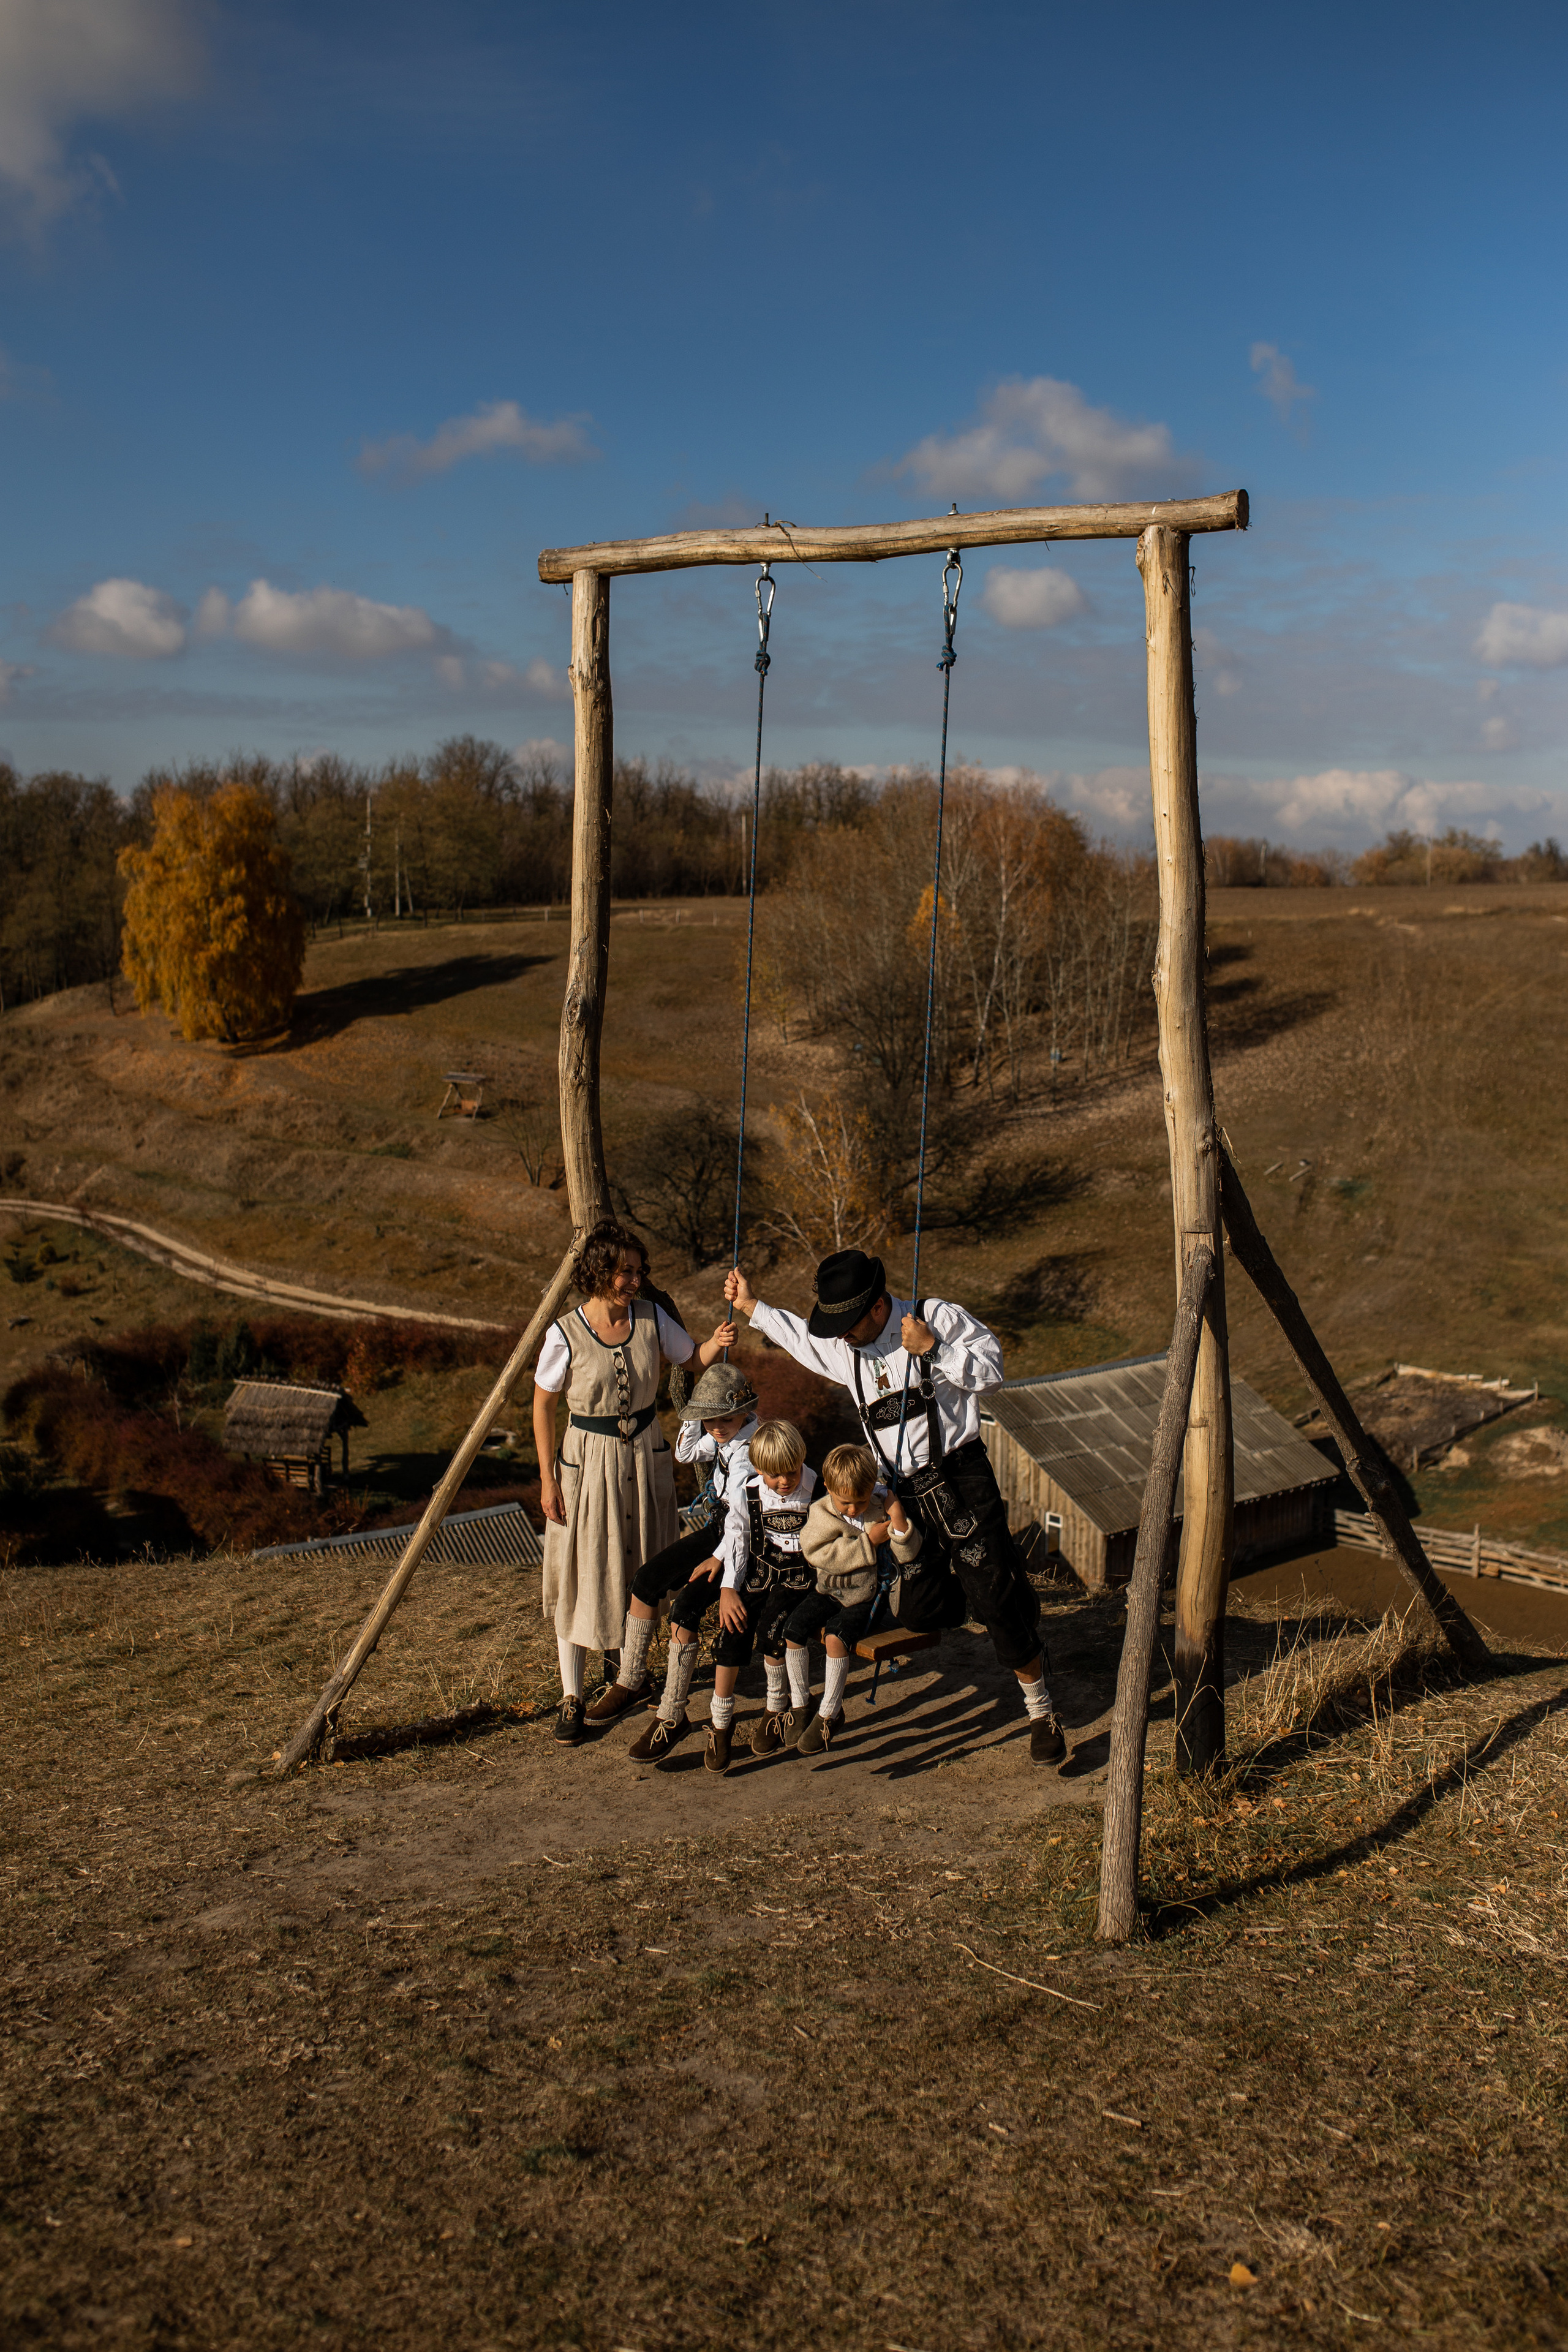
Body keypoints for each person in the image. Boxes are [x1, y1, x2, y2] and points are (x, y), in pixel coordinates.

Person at [725, 1247, 1068, 1765]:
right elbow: (801, 1340)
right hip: (898, 1493)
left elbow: (993, 1371)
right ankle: (1003, 1591)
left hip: (960, 1477)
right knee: (920, 1607)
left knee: (994, 1601)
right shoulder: (846, 1349)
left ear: (878, 1307)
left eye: (847, 1323)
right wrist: (753, 1308)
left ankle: (1041, 1709)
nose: (840, 1334)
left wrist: (934, 1350)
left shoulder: (938, 1318)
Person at [533, 1218, 733, 1746]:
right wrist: (547, 1478)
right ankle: (572, 1695)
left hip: (645, 1455)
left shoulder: (651, 1317)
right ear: (600, 1271)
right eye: (625, 1272)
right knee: (584, 1571)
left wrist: (715, 1340)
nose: (635, 1282)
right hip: (587, 1460)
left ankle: (631, 1674)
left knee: (640, 1563)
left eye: (639, 1272)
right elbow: (543, 1404)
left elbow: (690, 1359)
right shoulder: (565, 1332)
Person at [583, 1360, 759, 1760]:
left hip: (746, 1538)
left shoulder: (750, 1448)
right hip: (721, 1525)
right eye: (710, 1420)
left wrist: (718, 1559)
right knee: (646, 1581)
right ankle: (631, 1681)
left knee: (685, 1610)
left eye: (724, 1419)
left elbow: (743, 1521)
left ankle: (672, 1714)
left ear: (746, 1410)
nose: (716, 1428)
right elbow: (686, 1452)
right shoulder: (726, 1432)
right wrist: (696, 1415)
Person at [775, 1442, 922, 1757]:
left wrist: (896, 1516)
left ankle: (830, 1712)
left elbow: (908, 1553)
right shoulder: (822, 1512)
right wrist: (868, 1542)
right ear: (828, 1488)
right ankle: (801, 1704)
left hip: (867, 1599)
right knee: (793, 1630)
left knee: (835, 1637)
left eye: (861, 1500)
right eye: (846, 1503)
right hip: (829, 1590)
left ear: (872, 1489)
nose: (854, 1509)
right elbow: (818, 1555)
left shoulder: (878, 1511)